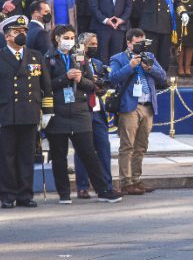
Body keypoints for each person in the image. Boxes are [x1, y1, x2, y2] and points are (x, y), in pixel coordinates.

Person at [0, 15, 54, 208]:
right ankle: (7, 195)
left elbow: (46, 85)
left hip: (29, 114)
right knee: (6, 158)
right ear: (7, 36)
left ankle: (25, 195)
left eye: (24, 32)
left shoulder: (35, 56)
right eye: (17, 32)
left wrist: (47, 111)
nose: (22, 35)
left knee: (27, 157)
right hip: (5, 115)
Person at [43, 25, 122, 205]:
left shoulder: (79, 56)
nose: (70, 41)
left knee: (88, 153)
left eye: (72, 37)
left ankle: (103, 190)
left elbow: (91, 84)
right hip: (58, 111)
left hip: (79, 111)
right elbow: (45, 85)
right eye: (66, 37)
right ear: (57, 38)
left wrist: (80, 79)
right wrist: (66, 78)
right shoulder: (48, 57)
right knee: (59, 155)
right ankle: (64, 193)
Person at [109, 28, 167, 195]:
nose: (141, 46)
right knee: (127, 145)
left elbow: (162, 75)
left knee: (141, 145)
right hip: (130, 106)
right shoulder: (118, 58)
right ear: (128, 43)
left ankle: (136, 179)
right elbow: (112, 78)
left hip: (147, 105)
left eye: (143, 43)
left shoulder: (150, 57)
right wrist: (130, 66)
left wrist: (149, 68)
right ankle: (125, 182)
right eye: (137, 43)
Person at [72, 33, 114, 199]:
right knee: (83, 149)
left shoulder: (97, 63)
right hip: (83, 110)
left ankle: (107, 185)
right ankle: (82, 187)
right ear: (83, 45)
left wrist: (100, 86)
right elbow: (78, 82)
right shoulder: (76, 60)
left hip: (97, 110)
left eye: (96, 43)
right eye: (92, 44)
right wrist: (92, 84)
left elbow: (104, 84)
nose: (95, 47)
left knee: (104, 148)